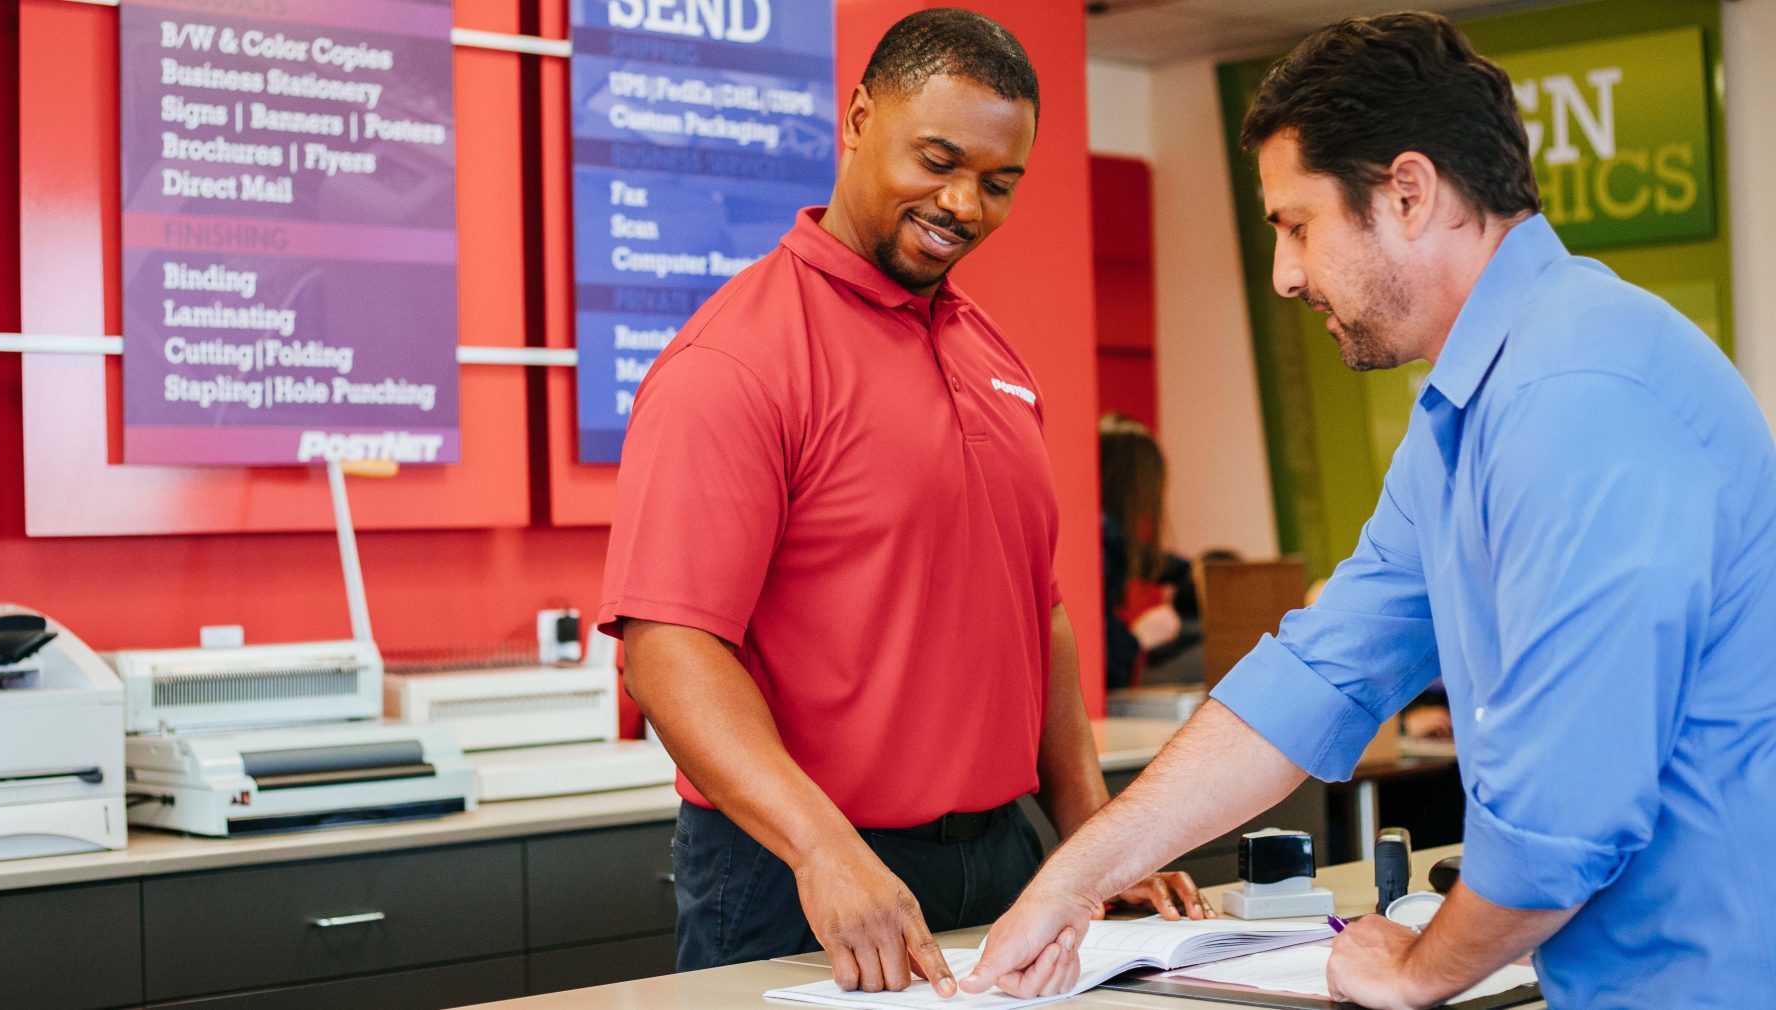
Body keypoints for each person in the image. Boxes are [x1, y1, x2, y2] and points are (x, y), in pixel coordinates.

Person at [966, 12, 1776, 1009]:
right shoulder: (1468, 417)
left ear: (1405, 191)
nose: (1284, 275)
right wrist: (1071, 878)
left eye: (1296, 225)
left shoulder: (1575, 393)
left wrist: (1416, 969)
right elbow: (1315, 675)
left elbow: (1566, 817)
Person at [596, 8, 1205, 999]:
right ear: (854, 119)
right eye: (935, 159)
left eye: (997, 181)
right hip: (801, 872)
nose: (961, 201)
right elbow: (668, 647)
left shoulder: (991, 354)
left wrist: (1091, 826)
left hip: (1005, 856)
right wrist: (820, 848)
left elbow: (1034, 611)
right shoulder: (734, 360)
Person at [1097, 414, 1201, 689]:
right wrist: (1141, 636)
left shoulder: (1107, 539)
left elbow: (1149, 561)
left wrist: (1197, 572)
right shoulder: (1103, 540)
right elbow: (1105, 664)